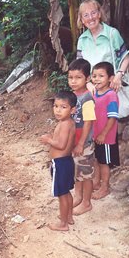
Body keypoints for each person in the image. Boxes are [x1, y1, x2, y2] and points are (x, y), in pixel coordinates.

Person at [39, 91, 77, 231]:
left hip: (60, 164)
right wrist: (52, 138)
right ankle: (69, 217)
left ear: (72, 109)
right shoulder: (69, 122)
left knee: (62, 194)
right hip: (67, 161)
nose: (58, 110)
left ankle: (63, 224)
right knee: (66, 192)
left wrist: (48, 140)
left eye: (63, 107)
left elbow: (60, 145)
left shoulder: (64, 124)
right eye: (56, 106)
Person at [76, 0, 129, 93]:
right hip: (92, 89)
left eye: (93, 13)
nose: (91, 18)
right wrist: (88, 83)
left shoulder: (112, 34)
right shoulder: (82, 40)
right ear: (82, 20)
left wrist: (119, 75)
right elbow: (80, 67)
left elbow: (126, 58)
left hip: (112, 86)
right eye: (86, 15)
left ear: (99, 14)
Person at [68, 58, 96, 216]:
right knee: (77, 171)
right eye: (70, 77)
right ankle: (78, 197)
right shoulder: (72, 96)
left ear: (87, 78)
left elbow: (88, 123)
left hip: (84, 144)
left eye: (78, 77)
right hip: (74, 143)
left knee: (86, 174)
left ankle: (86, 203)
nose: (73, 81)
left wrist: (80, 144)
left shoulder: (87, 99)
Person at [91, 61, 120, 199]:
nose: (96, 79)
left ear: (110, 78)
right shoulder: (95, 93)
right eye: (94, 75)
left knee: (104, 162)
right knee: (97, 159)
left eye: (101, 76)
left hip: (106, 137)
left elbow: (112, 118)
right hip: (95, 135)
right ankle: (96, 182)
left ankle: (105, 187)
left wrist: (103, 134)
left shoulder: (111, 96)